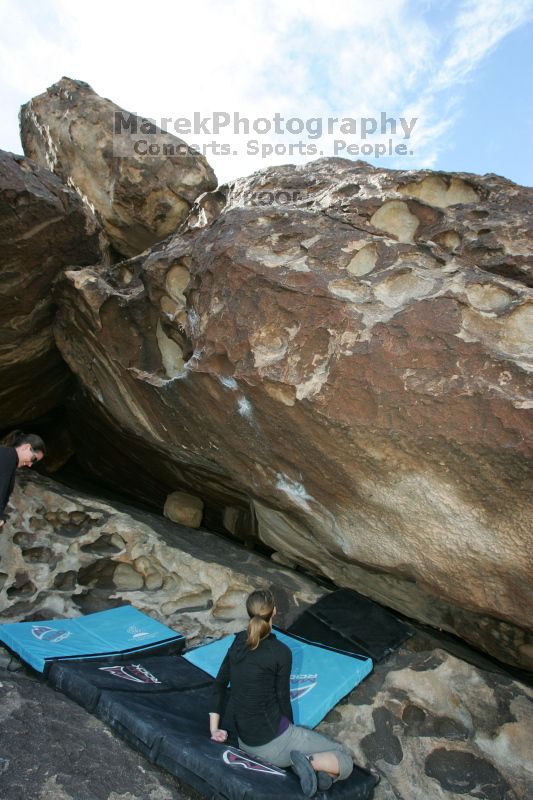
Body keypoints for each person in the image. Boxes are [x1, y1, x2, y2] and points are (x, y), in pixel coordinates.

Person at [208, 588, 354, 797]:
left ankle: (321, 773)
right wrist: (291, 731)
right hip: (273, 745)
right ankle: (310, 763)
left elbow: (219, 684)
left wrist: (214, 730)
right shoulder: (281, 652)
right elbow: (283, 698)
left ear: (249, 612)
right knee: (344, 756)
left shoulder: (238, 642)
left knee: (299, 742)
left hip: (245, 741)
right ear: (274, 611)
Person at [0, 430, 46, 529]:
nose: (30, 464)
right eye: (33, 459)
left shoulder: (6, 456)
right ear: (27, 447)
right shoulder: (7, 457)